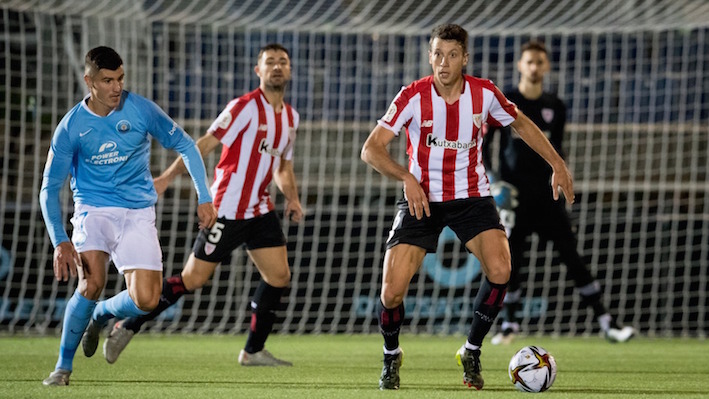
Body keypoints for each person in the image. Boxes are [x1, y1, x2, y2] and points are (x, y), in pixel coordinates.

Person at [360, 24, 575, 391]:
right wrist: (406, 177)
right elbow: (371, 149)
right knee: (391, 292)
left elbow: (522, 123)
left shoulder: (484, 93)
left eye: (452, 55)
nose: (443, 63)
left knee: (501, 268)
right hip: (422, 197)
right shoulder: (412, 96)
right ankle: (391, 355)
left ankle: (471, 350)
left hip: (472, 196)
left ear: (465, 59)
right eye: (437, 54)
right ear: (430, 56)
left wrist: (557, 163)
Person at [101, 43, 303, 367]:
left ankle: (252, 351)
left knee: (279, 276)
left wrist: (292, 198)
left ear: (290, 70)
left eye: (283, 62)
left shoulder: (291, 118)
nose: (277, 67)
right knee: (193, 279)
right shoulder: (244, 108)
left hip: (260, 209)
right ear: (258, 70)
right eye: (270, 62)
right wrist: (167, 178)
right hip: (226, 208)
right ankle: (128, 324)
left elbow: (282, 166)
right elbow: (204, 145)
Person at [39, 46, 217, 386]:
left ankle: (102, 314)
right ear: (88, 81)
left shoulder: (140, 110)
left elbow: (187, 145)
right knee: (91, 283)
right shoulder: (71, 128)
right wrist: (60, 241)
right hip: (94, 211)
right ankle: (62, 368)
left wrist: (204, 196)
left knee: (147, 300)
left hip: (138, 212)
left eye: (120, 78)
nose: (117, 87)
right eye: (108, 80)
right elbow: (49, 189)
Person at [483, 40, 635, 345]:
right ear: (520, 65)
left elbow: (558, 151)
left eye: (540, 62)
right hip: (514, 197)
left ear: (547, 66)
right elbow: (484, 148)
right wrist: (494, 182)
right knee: (511, 262)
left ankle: (608, 322)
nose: (535, 67)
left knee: (572, 256)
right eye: (529, 62)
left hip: (548, 197)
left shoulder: (556, 106)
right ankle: (509, 324)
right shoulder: (506, 100)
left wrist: (562, 174)